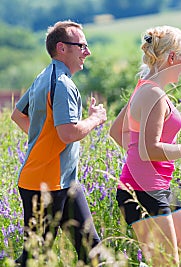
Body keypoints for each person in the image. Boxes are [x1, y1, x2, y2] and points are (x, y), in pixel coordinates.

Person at [109, 25, 181, 266]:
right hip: (141, 192)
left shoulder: (146, 88)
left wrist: (137, 151)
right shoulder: (153, 94)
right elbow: (150, 150)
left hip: (157, 188)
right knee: (168, 263)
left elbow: (118, 132)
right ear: (171, 58)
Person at [10, 21, 106, 266]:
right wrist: (95, 119)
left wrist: (43, 140)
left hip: (63, 181)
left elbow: (18, 115)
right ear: (62, 48)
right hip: (46, 186)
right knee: (34, 258)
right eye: (82, 46)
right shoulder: (62, 84)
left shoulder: (45, 75)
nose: (88, 51)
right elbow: (69, 133)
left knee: (92, 252)